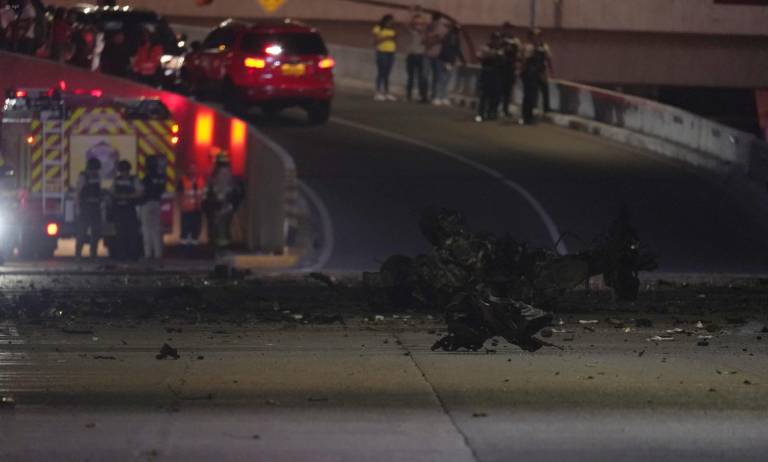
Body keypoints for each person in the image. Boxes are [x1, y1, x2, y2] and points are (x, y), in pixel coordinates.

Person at [204, 153, 241, 252]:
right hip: (223, 205)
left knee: (218, 228)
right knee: (223, 228)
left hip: (219, 205)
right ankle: (222, 247)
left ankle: (219, 247)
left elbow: (210, 191)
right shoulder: (229, 173)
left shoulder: (214, 175)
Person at [110, 160, 142, 260]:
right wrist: (119, 196)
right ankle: (122, 255)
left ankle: (132, 255)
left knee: (131, 233)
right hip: (121, 210)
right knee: (121, 234)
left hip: (129, 210)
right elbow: (112, 192)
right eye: (122, 171)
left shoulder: (133, 179)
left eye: (125, 170)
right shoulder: (117, 180)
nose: (124, 173)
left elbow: (140, 192)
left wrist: (128, 196)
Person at [521, 28, 552, 124]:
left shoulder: (544, 47)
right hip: (530, 74)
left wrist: (550, 70)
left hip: (540, 73)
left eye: (539, 36)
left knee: (543, 92)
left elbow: (548, 59)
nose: (537, 38)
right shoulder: (528, 47)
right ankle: (527, 115)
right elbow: (525, 61)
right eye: (535, 35)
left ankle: (544, 110)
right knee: (529, 95)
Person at [75, 158, 104, 259]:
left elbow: (99, 191)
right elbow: (78, 193)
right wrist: (78, 208)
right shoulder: (83, 176)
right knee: (82, 233)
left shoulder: (97, 176)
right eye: (94, 169)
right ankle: (78, 254)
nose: (95, 171)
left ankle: (93, 254)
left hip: (95, 207)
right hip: (85, 207)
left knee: (96, 232)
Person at [140, 155, 166, 260]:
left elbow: (142, 191)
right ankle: (158, 254)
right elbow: (162, 190)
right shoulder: (161, 177)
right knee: (156, 229)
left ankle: (148, 254)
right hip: (157, 203)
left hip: (147, 204)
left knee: (146, 229)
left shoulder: (147, 177)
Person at [433, 22, 464, 106]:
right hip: (443, 60)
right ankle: (437, 97)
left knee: (446, 81)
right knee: (441, 80)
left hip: (450, 61)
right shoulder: (448, 37)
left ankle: (443, 97)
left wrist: (462, 60)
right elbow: (446, 50)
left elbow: (457, 50)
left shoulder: (456, 39)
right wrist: (447, 61)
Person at [476, 32, 504, 123]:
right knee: (484, 94)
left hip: (497, 73)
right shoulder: (486, 47)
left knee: (496, 94)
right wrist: (491, 55)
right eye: (495, 39)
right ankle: (481, 113)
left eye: (498, 39)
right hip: (487, 72)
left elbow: (503, 59)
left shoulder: (501, 49)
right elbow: (479, 56)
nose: (497, 41)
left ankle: (492, 112)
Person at [177, 164, 205, 246]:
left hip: (197, 210)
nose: (192, 171)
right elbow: (179, 194)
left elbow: (204, 193)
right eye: (191, 169)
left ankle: (194, 244)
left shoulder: (201, 180)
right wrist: (181, 205)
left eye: (194, 169)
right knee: (185, 231)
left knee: (196, 230)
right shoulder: (182, 181)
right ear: (188, 170)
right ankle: (184, 246)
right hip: (186, 210)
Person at [372, 14, 397, 101]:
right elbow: (376, 41)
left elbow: (395, 40)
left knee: (387, 73)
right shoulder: (378, 28)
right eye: (390, 21)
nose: (391, 23)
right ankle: (378, 92)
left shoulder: (392, 30)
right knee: (381, 72)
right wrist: (386, 38)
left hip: (391, 52)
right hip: (382, 52)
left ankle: (387, 92)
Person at [405, 8, 428, 103]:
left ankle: (422, 95)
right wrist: (413, 13)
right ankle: (408, 95)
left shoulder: (424, 33)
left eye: (419, 24)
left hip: (421, 56)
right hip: (411, 55)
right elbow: (407, 24)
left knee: (421, 77)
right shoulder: (411, 31)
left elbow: (425, 24)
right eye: (416, 24)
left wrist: (421, 13)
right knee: (410, 77)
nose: (418, 26)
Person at [424, 12, 448, 102]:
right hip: (428, 54)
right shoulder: (428, 27)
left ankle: (434, 96)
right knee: (425, 75)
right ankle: (424, 95)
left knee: (436, 76)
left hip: (438, 55)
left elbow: (443, 39)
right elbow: (424, 39)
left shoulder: (443, 28)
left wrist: (432, 39)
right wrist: (432, 38)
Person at [499, 22, 521, 118]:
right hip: (500, 67)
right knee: (499, 88)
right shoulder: (500, 39)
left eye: (511, 29)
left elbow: (518, 54)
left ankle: (505, 109)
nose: (509, 31)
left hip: (510, 67)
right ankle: (497, 107)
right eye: (508, 28)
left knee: (508, 90)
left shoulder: (515, 41)